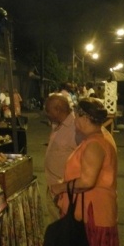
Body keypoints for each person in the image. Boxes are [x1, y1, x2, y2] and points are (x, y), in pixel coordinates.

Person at [49, 98, 121, 246]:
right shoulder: (98, 139)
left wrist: (61, 187)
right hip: (96, 209)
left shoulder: (94, 144)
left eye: (77, 116)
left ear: (84, 117)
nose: (75, 121)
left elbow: (87, 181)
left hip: (91, 211)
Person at [44, 93, 80, 222]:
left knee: (62, 225)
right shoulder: (57, 124)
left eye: (48, 111)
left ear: (58, 110)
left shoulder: (75, 128)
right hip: (53, 185)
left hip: (63, 189)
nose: (46, 114)